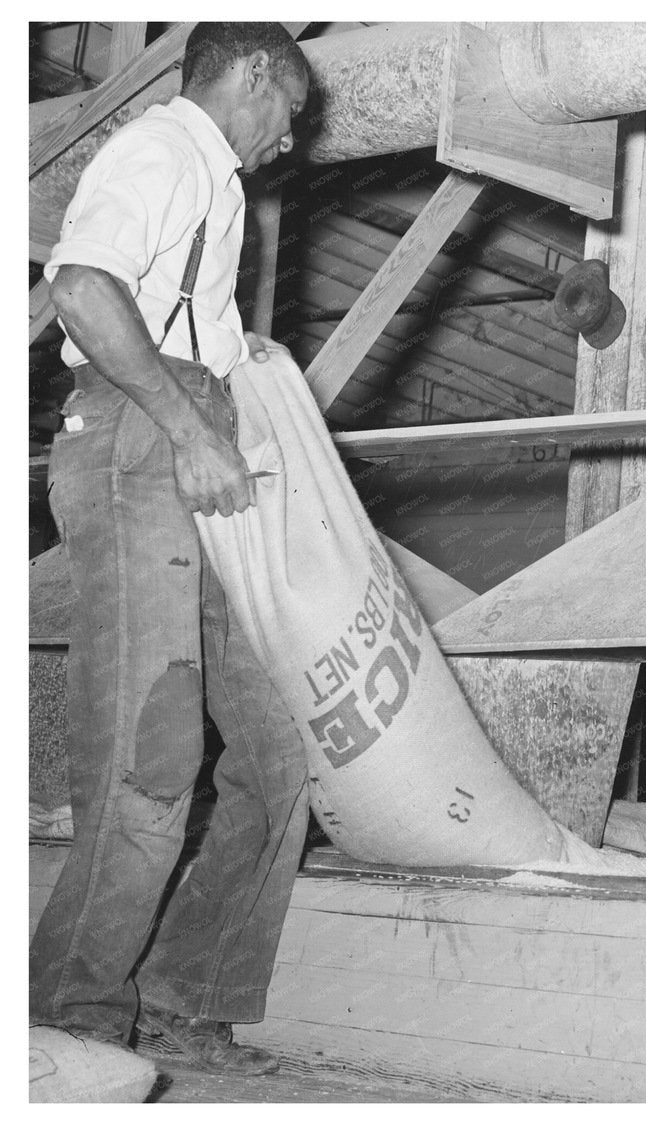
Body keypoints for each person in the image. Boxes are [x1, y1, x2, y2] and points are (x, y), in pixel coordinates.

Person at [30, 23, 312, 1076]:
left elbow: (185, 327)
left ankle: (191, 995)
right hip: (139, 444)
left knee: (279, 753)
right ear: (252, 73)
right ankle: (69, 1026)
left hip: (191, 439)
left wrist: (237, 386)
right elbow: (82, 287)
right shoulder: (160, 149)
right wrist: (192, 430)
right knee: (151, 761)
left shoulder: (216, 184)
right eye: (290, 109)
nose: (292, 137)